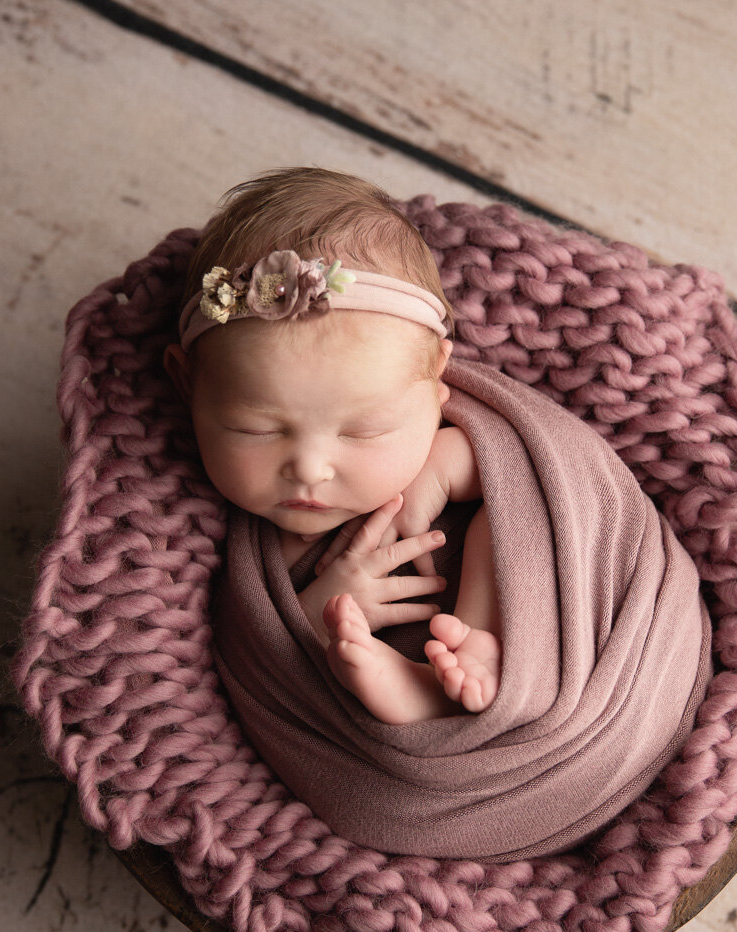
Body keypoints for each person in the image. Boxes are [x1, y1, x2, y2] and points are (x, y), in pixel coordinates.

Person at [164, 167, 500, 723]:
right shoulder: (214, 547)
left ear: (436, 381)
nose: (310, 469)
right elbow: (242, 672)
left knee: (508, 524)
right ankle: (421, 697)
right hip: (375, 753)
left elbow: (570, 483)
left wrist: (446, 467)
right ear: (188, 387)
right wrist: (324, 609)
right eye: (259, 430)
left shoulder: (461, 431)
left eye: (362, 432)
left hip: (556, 662)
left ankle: (483, 643)